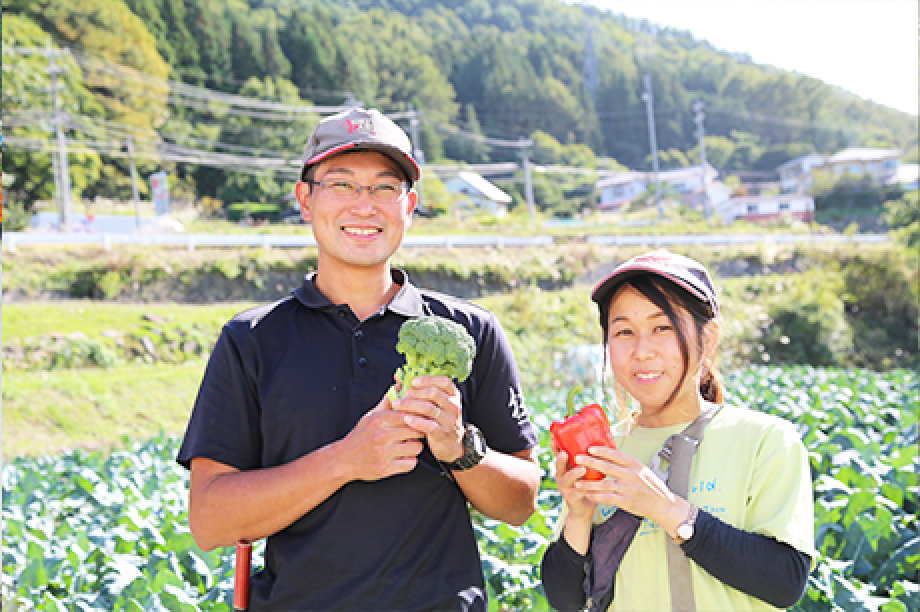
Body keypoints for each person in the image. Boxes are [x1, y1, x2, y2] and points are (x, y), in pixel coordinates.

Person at [177, 107, 542, 611]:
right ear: (305, 199)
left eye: (384, 187)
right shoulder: (252, 340)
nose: (364, 205)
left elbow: (522, 503)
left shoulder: (471, 332)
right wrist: (345, 460)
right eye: (342, 184)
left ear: (408, 204)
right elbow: (210, 521)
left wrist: (458, 447)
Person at [540, 249, 815, 611]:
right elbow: (567, 601)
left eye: (662, 327)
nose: (642, 351)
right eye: (624, 331)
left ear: (708, 338)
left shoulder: (765, 441)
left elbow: (785, 582)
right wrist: (579, 515)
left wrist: (666, 509)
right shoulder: (602, 449)